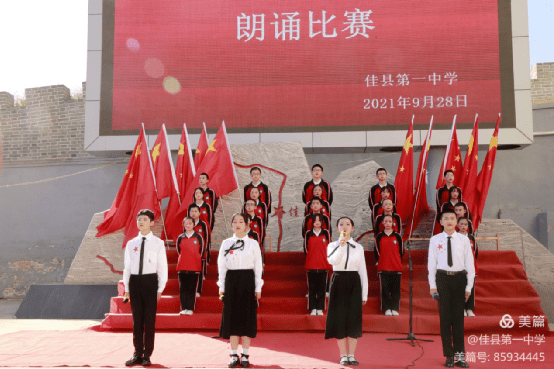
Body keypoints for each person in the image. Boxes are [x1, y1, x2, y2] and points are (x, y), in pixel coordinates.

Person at [428, 209, 475, 368]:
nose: (449, 221)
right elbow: (431, 265)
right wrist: (433, 286)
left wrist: (469, 286)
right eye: (445, 218)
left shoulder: (464, 240)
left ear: (457, 222)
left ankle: (460, 356)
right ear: (440, 222)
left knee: (458, 320)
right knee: (445, 319)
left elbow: (470, 265)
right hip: (442, 278)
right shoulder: (435, 240)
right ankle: (449, 355)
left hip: (459, 279)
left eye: (452, 218)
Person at [123, 209, 168, 367]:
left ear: (152, 223)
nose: (141, 222)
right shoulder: (131, 243)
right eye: (139, 219)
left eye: (145, 219)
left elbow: (162, 267)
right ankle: (137, 352)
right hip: (135, 282)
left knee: (149, 320)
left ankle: (147, 354)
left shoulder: (158, 243)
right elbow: (127, 267)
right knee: (137, 320)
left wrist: (160, 289)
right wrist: (127, 287)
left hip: (150, 282)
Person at [218, 213, 264, 368]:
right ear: (231, 225)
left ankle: (244, 354)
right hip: (231, 281)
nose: (237, 224)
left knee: (246, 319)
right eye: (235, 221)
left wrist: (258, 287)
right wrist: (222, 287)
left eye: (241, 221)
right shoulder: (226, 243)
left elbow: (258, 267)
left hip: (247, 281)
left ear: (247, 225)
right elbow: (222, 267)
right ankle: (233, 355)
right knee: (232, 318)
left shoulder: (253, 244)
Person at [325, 217, 368, 366]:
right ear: (337, 229)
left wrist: (364, 293)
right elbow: (333, 261)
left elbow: (363, 270)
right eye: (341, 224)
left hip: (354, 282)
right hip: (338, 281)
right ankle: (343, 355)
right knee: (340, 319)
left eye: (348, 224)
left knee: (353, 319)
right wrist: (342, 245)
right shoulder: (332, 245)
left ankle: (352, 355)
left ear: (352, 228)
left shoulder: (359, 247)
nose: (345, 226)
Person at [374, 215, 404, 316]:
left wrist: (396, 261)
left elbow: (401, 251)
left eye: (390, 221)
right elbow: (376, 251)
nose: (388, 223)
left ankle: (394, 308)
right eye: (385, 221)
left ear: (393, 223)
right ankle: (387, 308)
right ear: (382, 223)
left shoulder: (398, 236)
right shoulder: (379, 237)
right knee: (385, 289)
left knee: (396, 289)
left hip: (396, 267)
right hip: (383, 267)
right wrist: (381, 260)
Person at [304, 214, 332, 316]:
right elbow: (306, 249)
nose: (317, 222)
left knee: (322, 289)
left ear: (322, 222)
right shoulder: (308, 234)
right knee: (312, 289)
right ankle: (313, 308)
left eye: (319, 220)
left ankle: (320, 308)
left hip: (323, 266)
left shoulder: (326, 233)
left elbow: (329, 247)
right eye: (315, 220)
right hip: (311, 265)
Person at [176, 217, 205, 315]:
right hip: (182, 267)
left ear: (193, 225)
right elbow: (179, 251)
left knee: (192, 288)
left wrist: (195, 259)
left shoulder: (198, 237)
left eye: (190, 223)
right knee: (183, 289)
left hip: (194, 267)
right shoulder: (180, 237)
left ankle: (190, 308)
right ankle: (184, 308)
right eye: (186, 223)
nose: (188, 225)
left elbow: (201, 251)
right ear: (183, 225)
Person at [457, 217, 478, 317]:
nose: (463, 226)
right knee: (460, 288)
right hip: (458, 268)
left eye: (465, 224)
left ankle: (469, 309)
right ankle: (462, 309)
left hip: (470, 267)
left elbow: (476, 252)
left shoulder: (471, 237)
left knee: (470, 287)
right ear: (457, 225)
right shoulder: (454, 237)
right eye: (461, 224)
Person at [188, 204, 210, 295]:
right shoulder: (187, 224)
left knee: (199, 272)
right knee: (189, 272)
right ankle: (190, 290)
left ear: (199, 213)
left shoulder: (203, 224)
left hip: (200, 252)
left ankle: (198, 290)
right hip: (189, 253)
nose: (193, 213)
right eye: (192, 211)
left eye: (195, 211)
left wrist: (205, 250)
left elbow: (207, 238)